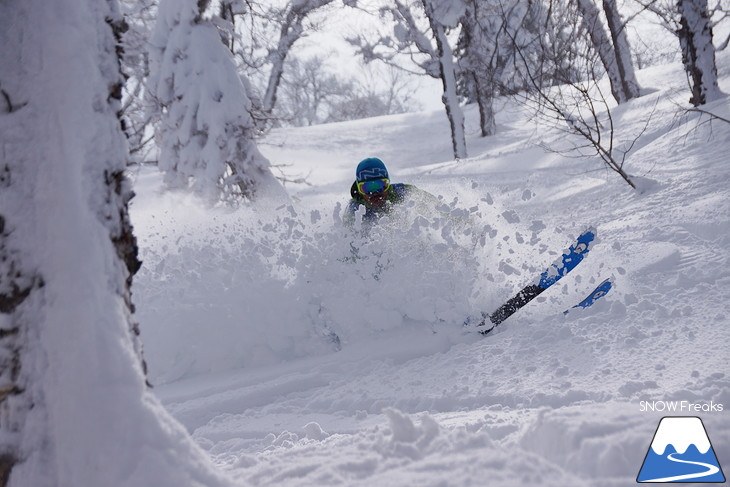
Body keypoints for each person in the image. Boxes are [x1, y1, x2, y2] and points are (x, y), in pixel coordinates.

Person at [344, 157, 436, 227]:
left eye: (380, 186)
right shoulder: (355, 211)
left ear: (388, 183)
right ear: (360, 191)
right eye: (368, 188)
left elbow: (437, 207)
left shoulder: (404, 193)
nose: (375, 193)